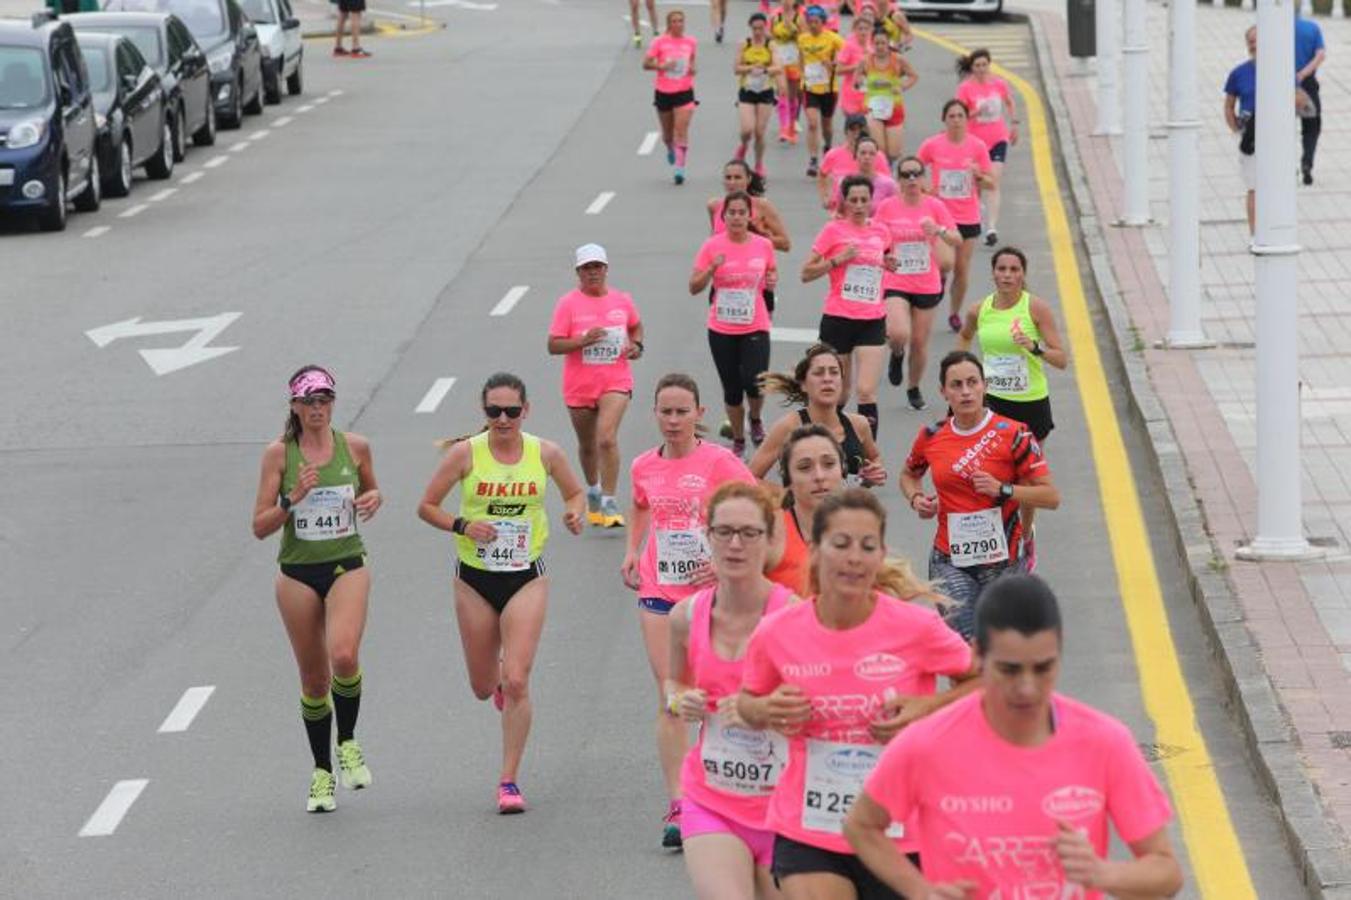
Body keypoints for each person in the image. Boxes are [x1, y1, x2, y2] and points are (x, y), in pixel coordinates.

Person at [845, 575, 1185, 900]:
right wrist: (921, 891)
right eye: (1009, 670)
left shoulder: (1106, 742)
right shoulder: (926, 744)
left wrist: (1101, 873)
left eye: (1043, 668)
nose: (1027, 688)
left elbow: (1166, 873)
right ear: (978, 656)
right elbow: (861, 825)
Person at [738, 489, 977, 900]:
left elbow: (986, 680)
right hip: (811, 827)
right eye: (841, 544)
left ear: (881, 555)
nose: (854, 557)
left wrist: (928, 707)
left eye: (867, 546)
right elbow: (746, 701)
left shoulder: (915, 627)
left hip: (900, 831)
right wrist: (765, 708)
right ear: (815, 550)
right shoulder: (777, 632)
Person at [416, 373, 586, 814]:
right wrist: (463, 525)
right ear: (484, 412)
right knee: (482, 685)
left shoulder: (545, 452)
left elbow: (574, 493)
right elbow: (426, 506)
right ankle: (497, 688)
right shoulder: (465, 455)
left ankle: (508, 781)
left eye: (512, 411)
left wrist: (573, 513)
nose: (503, 419)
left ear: (526, 411)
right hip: (475, 577)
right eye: (494, 411)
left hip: (526, 575)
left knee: (517, 680)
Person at [623, 374, 757, 848]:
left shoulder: (721, 462)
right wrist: (631, 550)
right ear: (655, 414)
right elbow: (641, 505)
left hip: (710, 596)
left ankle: (716, 781)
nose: (674, 420)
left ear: (700, 414)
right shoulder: (643, 465)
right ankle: (680, 802)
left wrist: (725, 564)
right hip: (660, 591)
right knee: (671, 694)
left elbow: (758, 510)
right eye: (666, 411)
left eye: (683, 412)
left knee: (714, 692)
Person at [251, 366, 382, 813]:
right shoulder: (280, 456)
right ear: (294, 406)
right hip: (297, 573)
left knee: (343, 655)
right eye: (308, 401)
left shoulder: (355, 447)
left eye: (324, 399)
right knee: (313, 679)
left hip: (347, 564)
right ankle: (322, 771)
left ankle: (347, 741)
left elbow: (371, 492)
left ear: (333, 404)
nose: (317, 408)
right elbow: (259, 527)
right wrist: (292, 500)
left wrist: (373, 499)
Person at [668, 483, 799, 899]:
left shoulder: (795, 617)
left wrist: (762, 709)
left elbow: (819, 705)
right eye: (723, 532)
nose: (735, 545)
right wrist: (679, 699)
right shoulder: (685, 616)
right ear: (707, 537)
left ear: (770, 539)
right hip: (713, 798)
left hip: (784, 807)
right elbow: (675, 682)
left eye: (748, 533)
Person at [900, 351, 1060, 639]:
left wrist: (1004, 489)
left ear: (984, 386)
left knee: (1001, 646)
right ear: (943, 392)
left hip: (1004, 561)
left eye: (972, 382)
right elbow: (909, 474)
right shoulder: (932, 435)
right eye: (956, 385)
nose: (965, 392)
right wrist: (916, 498)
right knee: (965, 648)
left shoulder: (1015, 434)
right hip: (950, 559)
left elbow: (1050, 496)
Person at [547, 243, 644, 529]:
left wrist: (637, 345)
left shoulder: (622, 300)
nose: (593, 273)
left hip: (616, 380)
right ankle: (593, 489)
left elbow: (636, 326)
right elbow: (553, 345)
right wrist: (582, 341)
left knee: (606, 438)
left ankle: (610, 500)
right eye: (587, 268)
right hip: (579, 385)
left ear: (606, 269)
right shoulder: (568, 304)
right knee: (588, 445)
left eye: (597, 267)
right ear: (578, 272)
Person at [802, 174, 897, 438]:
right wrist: (838, 260)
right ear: (844, 202)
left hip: (872, 319)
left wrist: (889, 264)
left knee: (866, 390)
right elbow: (806, 273)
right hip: (838, 318)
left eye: (864, 200)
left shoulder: (881, 230)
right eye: (853, 200)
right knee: (839, 392)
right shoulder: (833, 231)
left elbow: (887, 258)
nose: (858, 205)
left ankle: (868, 456)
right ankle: (832, 443)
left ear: (871, 202)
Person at [691, 191, 779, 457]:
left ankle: (755, 418)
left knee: (755, 381)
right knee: (731, 388)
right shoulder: (711, 246)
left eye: (742, 212)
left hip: (755, 324)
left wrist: (771, 282)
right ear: (724, 216)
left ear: (750, 216)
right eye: (732, 213)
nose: (737, 217)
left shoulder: (763, 245)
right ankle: (739, 437)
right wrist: (711, 269)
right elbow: (694, 287)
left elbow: (770, 273)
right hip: (722, 327)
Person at [875, 155, 960, 411]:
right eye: (906, 175)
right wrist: (883, 254)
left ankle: (913, 386)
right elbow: (876, 237)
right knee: (899, 332)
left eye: (916, 174)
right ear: (898, 180)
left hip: (926, 282)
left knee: (921, 342)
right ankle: (897, 353)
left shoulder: (935, 206)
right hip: (896, 278)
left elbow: (956, 238)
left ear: (923, 178)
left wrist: (939, 231)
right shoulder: (888, 207)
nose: (911, 179)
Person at [958, 246, 1067, 444]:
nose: (1007, 275)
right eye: (1001, 269)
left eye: (1014, 270)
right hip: (992, 399)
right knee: (993, 466)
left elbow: (1061, 360)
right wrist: (962, 370)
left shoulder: (1036, 308)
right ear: (993, 274)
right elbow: (965, 336)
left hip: (1030, 401)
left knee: (1030, 472)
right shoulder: (978, 309)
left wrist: (1035, 348)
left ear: (1023, 274)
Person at [750, 343, 886, 488]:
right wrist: (787, 496)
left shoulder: (859, 424)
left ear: (842, 381)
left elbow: (875, 458)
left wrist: (874, 473)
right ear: (803, 384)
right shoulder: (789, 426)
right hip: (806, 510)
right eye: (819, 373)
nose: (827, 379)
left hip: (850, 509)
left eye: (834, 372)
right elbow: (749, 477)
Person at [917, 99, 995, 333]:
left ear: (966, 119)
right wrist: (926, 187)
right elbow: (913, 169)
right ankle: (939, 279)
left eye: (960, 116)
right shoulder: (933, 145)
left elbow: (992, 183)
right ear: (944, 120)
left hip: (968, 216)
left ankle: (953, 312)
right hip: (941, 214)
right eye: (951, 116)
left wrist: (978, 174)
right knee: (945, 263)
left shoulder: (977, 146)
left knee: (961, 268)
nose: (956, 120)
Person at [764, 424, 848, 594]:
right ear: (788, 478)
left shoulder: (862, 527)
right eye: (804, 467)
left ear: (842, 470)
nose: (819, 476)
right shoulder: (769, 531)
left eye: (829, 464)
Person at [955, 49, 1017, 245]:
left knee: (993, 180)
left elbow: (1009, 102)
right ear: (972, 68)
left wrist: (1014, 123)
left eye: (984, 65)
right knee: (977, 183)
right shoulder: (965, 89)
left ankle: (991, 227)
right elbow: (960, 115)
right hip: (975, 142)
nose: (981, 69)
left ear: (989, 65)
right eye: (977, 66)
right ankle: (976, 216)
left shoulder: (999, 83)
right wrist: (975, 111)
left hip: (998, 138)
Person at [645, 10, 699, 185]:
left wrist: (692, 69)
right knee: (668, 135)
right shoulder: (659, 42)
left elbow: (692, 62)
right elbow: (646, 64)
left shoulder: (690, 42)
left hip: (684, 91)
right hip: (664, 91)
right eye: (674, 21)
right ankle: (670, 148)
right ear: (669, 24)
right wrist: (663, 65)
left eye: (681, 21)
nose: (678, 24)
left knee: (680, 131)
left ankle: (679, 169)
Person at [796, 5, 846, 178]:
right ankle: (813, 159)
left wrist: (833, 64)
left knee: (826, 124)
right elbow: (801, 58)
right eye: (810, 22)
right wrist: (802, 75)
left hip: (828, 88)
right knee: (812, 123)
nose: (813, 25)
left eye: (816, 22)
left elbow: (846, 57)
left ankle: (828, 145)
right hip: (809, 87)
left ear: (823, 22)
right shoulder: (803, 39)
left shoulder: (833, 38)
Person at [709, 159, 792, 253]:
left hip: (752, 264)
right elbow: (714, 240)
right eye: (728, 178)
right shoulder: (714, 206)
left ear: (748, 179)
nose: (732, 182)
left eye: (737, 177)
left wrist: (757, 235)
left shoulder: (762, 206)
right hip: (724, 265)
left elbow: (785, 244)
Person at [735, 13, 783, 177]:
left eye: (761, 28)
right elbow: (736, 68)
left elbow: (778, 68)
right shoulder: (744, 44)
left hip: (765, 91)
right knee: (747, 129)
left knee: (759, 132)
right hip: (747, 91)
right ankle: (743, 146)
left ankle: (758, 164)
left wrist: (764, 69)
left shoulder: (771, 45)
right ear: (750, 28)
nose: (757, 32)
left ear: (765, 28)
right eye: (755, 29)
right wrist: (749, 68)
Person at [862, 33, 917, 165]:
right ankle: (882, 175)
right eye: (877, 43)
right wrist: (861, 84)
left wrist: (902, 87)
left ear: (888, 45)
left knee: (893, 153)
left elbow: (913, 76)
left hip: (894, 107)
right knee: (880, 149)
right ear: (872, 44)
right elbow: (857, 79)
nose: (880, 47)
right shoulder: (866, 61)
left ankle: (888, 168)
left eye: (883, 43)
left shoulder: (898, 60)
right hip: (873, 108)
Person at [1223, 26, 1257, 234]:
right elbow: (1229, 104)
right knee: (1254, 186)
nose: (1254, 45)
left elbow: (1297, 96)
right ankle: (1255, 233)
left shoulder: (1282, 69)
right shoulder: (1238, 73)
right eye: (1250, 41)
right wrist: (1235, 128)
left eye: (1257, 40)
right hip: (1250, 134)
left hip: (1276, 134)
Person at [826, 134, 896, 214]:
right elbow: (839, 212)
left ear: (877, 157)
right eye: (863, 153)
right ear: (855, 156)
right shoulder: (844, 182)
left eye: (871, 154)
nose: (867, 157)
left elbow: (894, 212)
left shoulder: (889, 184)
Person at [1295, 7, 1325, 185]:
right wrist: (1303, 74)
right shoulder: (1312, 28)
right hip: (1306, 85)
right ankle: (1307, 162)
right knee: (1311, 127)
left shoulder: (1275, 29)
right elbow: (1320, 55)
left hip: (1279, 85)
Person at [770, 0, 805, 145]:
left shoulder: (799, 18)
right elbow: (771, 39)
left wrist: (792, 28)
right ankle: (783, 128)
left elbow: (804, 40)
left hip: (794, 60)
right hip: (779, 60)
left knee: (792, 95)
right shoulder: (775, 17)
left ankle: (791, 127)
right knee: (782, 92)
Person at [816, 114, 870, 210]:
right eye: (852, 129)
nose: (857, 133)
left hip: (865, 209)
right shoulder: (834, 154)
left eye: (860, 129)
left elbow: (887, 184)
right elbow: (821, 174)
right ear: (846, 132)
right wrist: (825, 197)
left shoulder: (876, 156)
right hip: (839, 210)